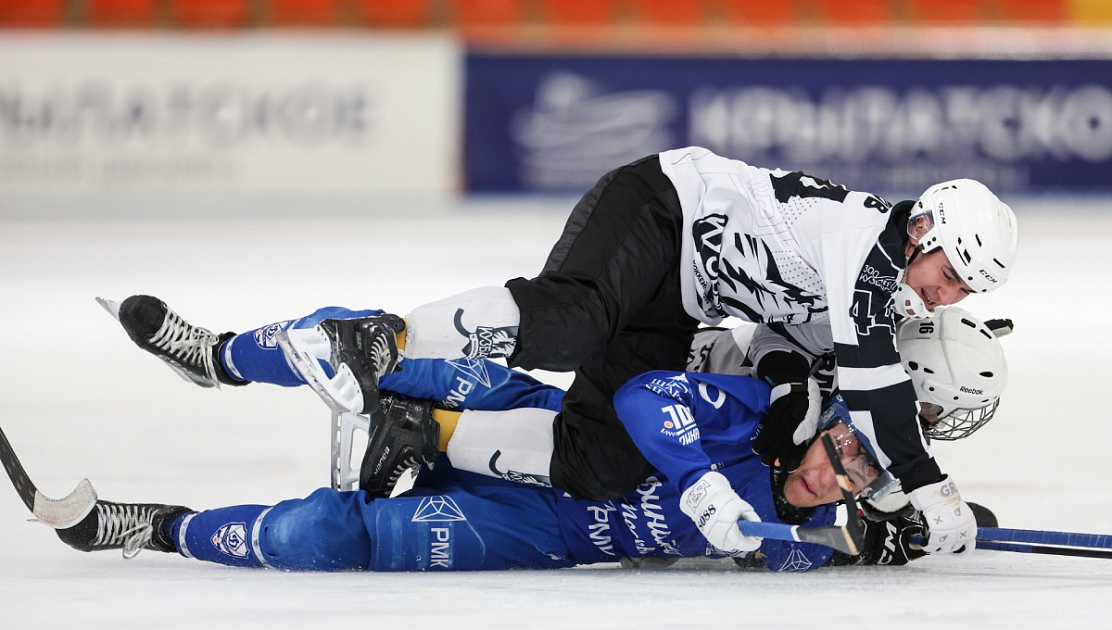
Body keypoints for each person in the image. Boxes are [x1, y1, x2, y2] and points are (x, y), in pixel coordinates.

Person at [271, 147, 1017, 557]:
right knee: (571, 325)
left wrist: (889, 509)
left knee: (600, 463)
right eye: (949, 274)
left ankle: (419, 426)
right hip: (665, 212)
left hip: (684, 309)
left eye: (962, 293)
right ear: (923, 228)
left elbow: (791, 351)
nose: (947, 295)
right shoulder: (868, 259)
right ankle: (379, 341)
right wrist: (927, 489)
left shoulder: (880, 299)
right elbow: (877, 394)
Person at [44, 306, 1008, 572]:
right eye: (922, 416)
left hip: (549, 531)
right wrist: (706, 484)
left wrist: (893, 536)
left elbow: (832, 539)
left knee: (325, 540)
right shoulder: (783, 393)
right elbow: (644, 400)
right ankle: (216, 353)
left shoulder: (865, 475)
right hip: (549, 429)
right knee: (370, 344)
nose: (909, 441)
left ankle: (153, 527)